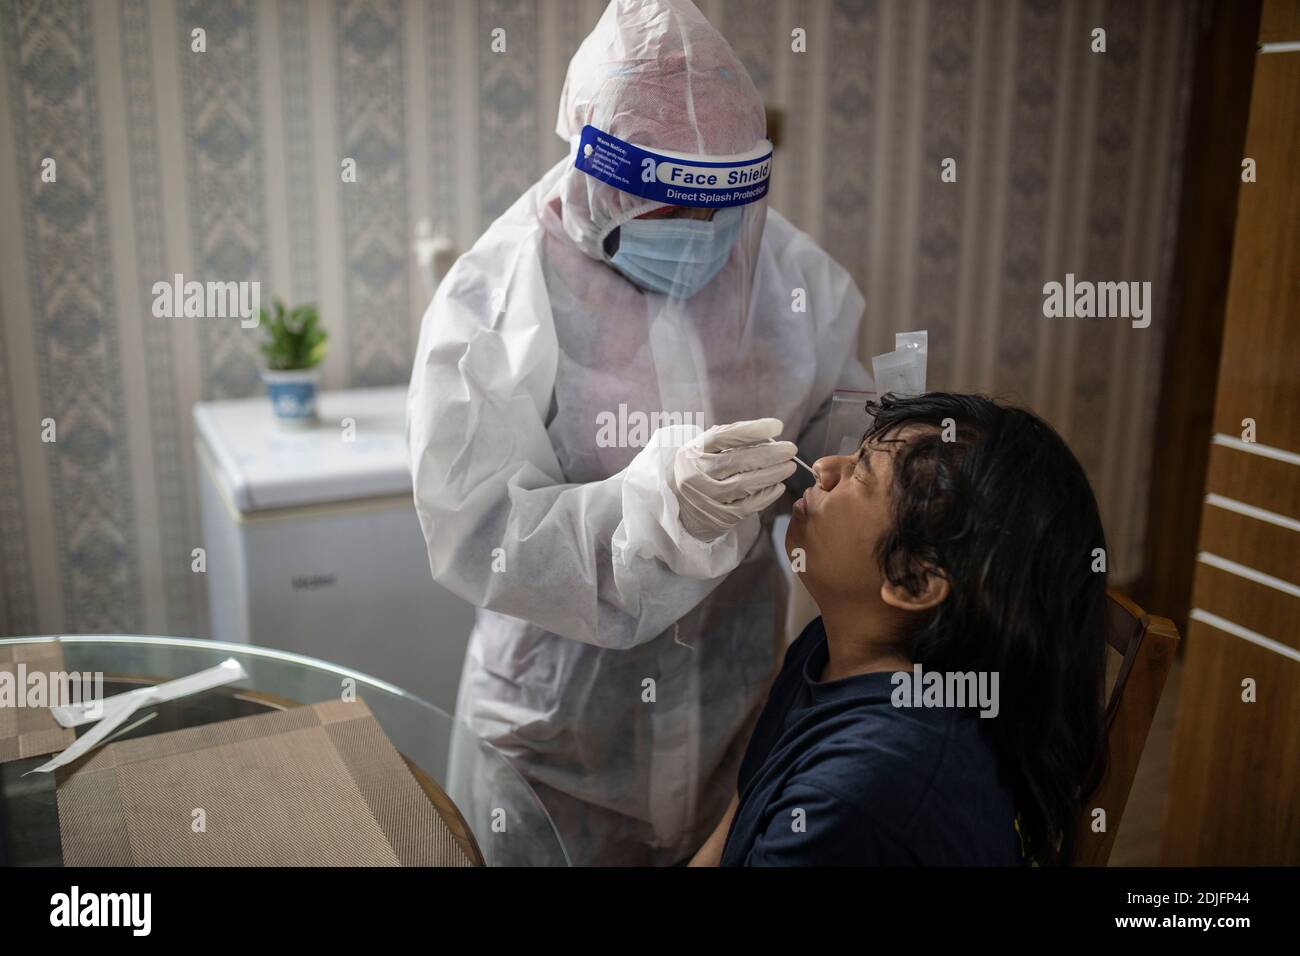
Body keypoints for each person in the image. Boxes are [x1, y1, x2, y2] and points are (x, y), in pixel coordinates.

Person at [406, 0, 868, 865]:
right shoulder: (497, 298)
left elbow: (841, 441)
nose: (700, 237)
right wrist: (651, 513)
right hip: (559, 739)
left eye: (718, 209)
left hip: (736, 711)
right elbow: (478, 532)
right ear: (596, 173)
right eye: (666, 208)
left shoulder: (792, 277)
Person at [690, 394, 1110, 866]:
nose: (825, 468)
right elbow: (742, 812)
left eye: (860, 472)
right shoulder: (830, 647)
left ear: (913, 580)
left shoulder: (863, 792)